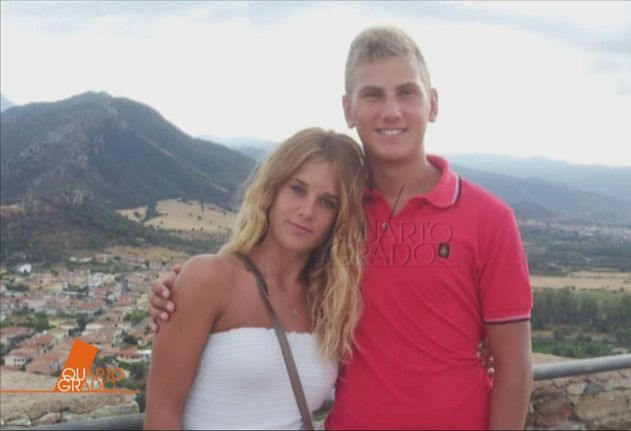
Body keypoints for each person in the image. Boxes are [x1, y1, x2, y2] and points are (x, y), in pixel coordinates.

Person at [150, 26, 533, 429]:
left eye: (407, 92)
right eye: (373, 95)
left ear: (432, 104)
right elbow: (261, 273)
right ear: (349, 110)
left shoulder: (490, 220)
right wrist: (176, 290)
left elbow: (514, 367)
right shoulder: (341, 214)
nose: (391, 111)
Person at [143, 128, 368, 429]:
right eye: (297, 189)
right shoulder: (209, 279)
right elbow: (162, 413)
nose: (307, 211)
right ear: (272, 190)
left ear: (340, 217)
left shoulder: (333, 301)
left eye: (327, 202)